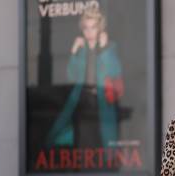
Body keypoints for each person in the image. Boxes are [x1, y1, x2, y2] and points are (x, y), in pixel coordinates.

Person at [47, 6, 124, 150]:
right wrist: (74, 52)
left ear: (100, 28)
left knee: (105, 140)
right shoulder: (81, 50)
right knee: (81, 139)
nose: (89, 32)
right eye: (86, 28)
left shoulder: (110, 47)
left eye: (93, 27)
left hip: (101, 101)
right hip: (81, 101)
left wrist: (104, 49)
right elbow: (71, 76)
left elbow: (114, 72)